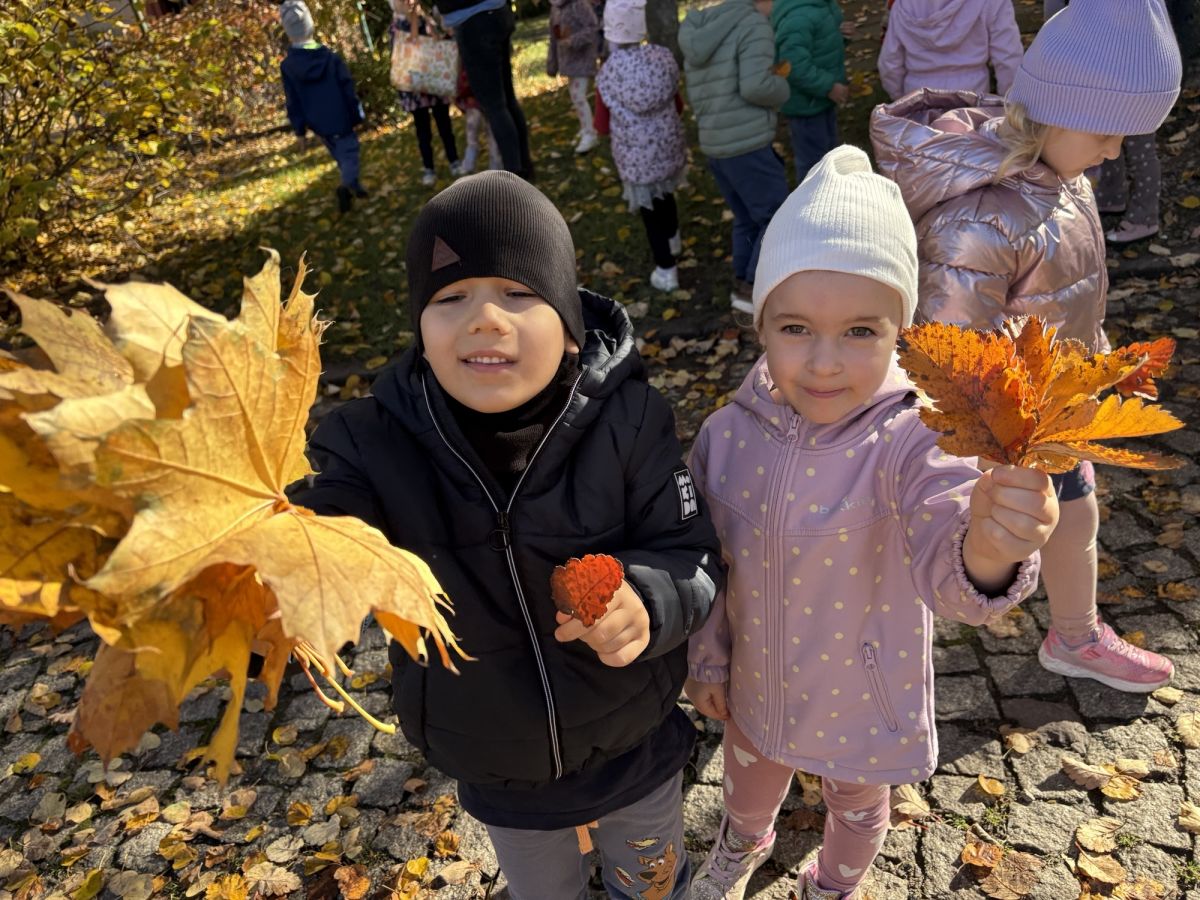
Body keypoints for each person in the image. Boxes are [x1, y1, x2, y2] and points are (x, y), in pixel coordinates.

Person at [287, 172, 722, 900]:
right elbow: (319, 535)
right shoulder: (369, 445)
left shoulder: (631, 422)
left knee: (649, 886)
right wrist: (276, 566)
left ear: (569, 326)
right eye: (449, 298)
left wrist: (649, 602)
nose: (485, 318)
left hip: (633, 744)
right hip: (496, 758)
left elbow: (692, 552)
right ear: (420, 329)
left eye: (519, 294)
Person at [685, 147, 1058, 900]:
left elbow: (948, 549)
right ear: (761, 326)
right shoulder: (726, 437)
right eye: (796, 327)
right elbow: (704, 565)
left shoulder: (918, 440)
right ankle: (744, 841)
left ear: (901, 331)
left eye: (860, 331)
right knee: (747, 783)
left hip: (862, 695)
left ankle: (835, 883)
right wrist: (707, 659)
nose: (825, 362)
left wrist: (990, 545)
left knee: (857, 806)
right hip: (756, 684)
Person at [870, 0, 1182, 693]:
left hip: (1055, 414)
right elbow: (950, 346)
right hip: (1006, 431)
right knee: (973, 542)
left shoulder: (1066, 184)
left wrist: (1098, 368)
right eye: (1107, 132)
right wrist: (996, 435)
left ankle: (1075, 634)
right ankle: (891, 652)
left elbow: (1073, 296)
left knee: (1078, 515)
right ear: (1057, 111)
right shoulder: (982, 217)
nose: (1114, 151)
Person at [679, 0, 790, 314]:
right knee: (776, 217)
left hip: (716, 142)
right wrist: (783, 87)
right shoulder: (752, 24)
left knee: (745, 217)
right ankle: (755, 286)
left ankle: (742, 284)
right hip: (747, 140)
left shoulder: (701, 27)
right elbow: (756, 86)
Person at [595, 0, 688, 292]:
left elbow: (601, 124)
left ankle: (666, 269)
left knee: (650, 212)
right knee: (666, 195)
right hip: (668, 146)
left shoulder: (608, 73)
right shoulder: (662, 58)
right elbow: (678, 105)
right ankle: (674, 239)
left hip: (637, 158)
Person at [279, 0, 367, 213]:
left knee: (340, 154)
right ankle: (346, 186)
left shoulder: (288, 66)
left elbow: (293, 100)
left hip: (317, 122)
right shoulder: (330, 58)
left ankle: (354, 185)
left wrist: (300, 130)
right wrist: (357, 113)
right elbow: (347, 87)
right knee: (349, 153)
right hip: (340, 116)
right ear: (310, 25)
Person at [434, 0, 533, 179]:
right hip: (495, 13)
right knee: (506, 100)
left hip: (474, 22)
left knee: (495, 106)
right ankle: (524, 166)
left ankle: (516, 174)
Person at [877, 0, 1023, 100]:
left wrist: (900, 98)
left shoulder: (902, 4)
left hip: (917, 96)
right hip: (972, 94)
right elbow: (1009, 57)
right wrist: (1008, 103)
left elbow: (889, 63)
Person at [771, 0, 848, 182]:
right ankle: (813, 195)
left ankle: (832, 188)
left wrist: (840, 35)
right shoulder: (798, 17)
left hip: (820, 100)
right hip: (806, 105)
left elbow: (820, 44)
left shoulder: (822, 6)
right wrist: (828, 86)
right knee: (814, 163)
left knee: (829, 153)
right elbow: (794, 66)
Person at [390, 0, 462, 188]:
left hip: (434, 82)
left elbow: (439, 42)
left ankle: (453, 160)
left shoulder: (427, 20)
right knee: (423, 131)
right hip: (416, 87)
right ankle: (429, 168)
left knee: (444, 125)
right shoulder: (397, 26)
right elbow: (404, 48)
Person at [547, 0, 602, 154]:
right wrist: (552, 64)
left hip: (583, 59)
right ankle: (585, 126)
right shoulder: (555, 9)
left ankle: (590, 134)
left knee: (578, 96)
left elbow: (592, 28)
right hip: (568, 61)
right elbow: (553, 38)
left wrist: (573, 41)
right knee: (575, 96)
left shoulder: (579, 4)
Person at [455, 65, 501, 174]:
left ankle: (490, 163)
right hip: (479, 99)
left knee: (481, 132)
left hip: (479, 99)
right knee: (478, 131)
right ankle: (489, 163)